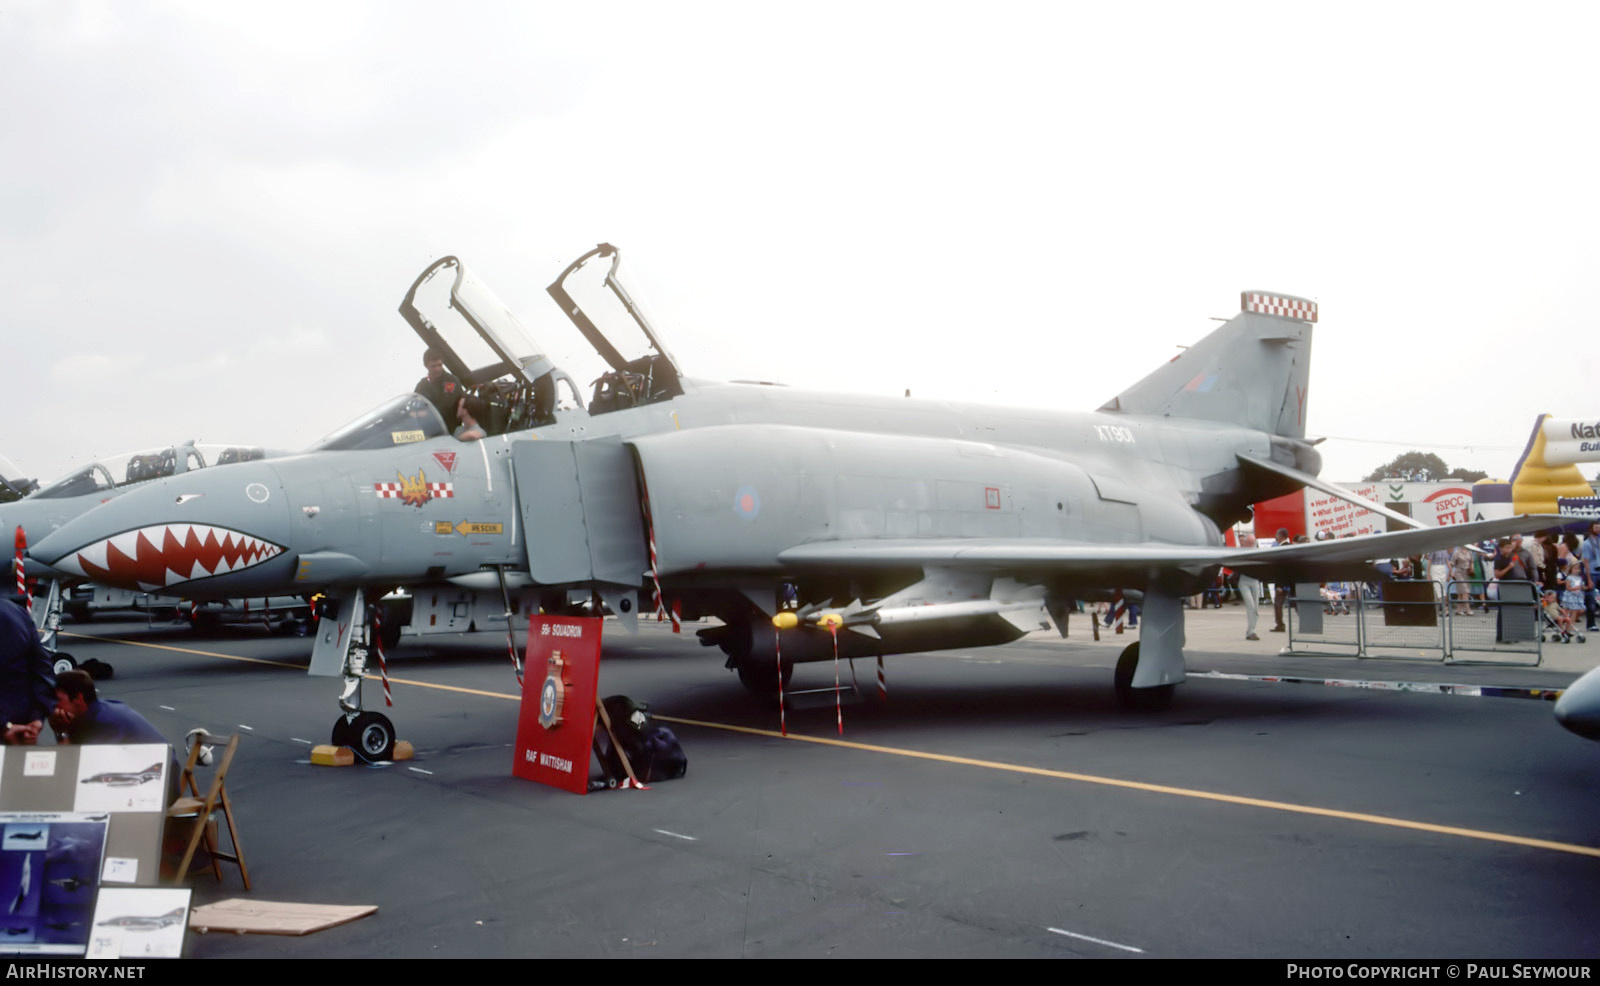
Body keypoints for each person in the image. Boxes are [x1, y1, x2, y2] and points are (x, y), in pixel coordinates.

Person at [50, 670, 180, 803]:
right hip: (146, 777)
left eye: (57, 700)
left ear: (78, 698)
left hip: (159, 787)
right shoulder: (99, 710)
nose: (52, 706)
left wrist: (62, 732)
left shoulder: (103, 723)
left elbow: (77, 769)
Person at [0, 595, 55, 745]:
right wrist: (37, 717)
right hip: (23, 730)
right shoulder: (16, 612)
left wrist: (4, 726)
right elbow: (43, 669)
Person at [414, 348, 463, 433]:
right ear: (426, 366)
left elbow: (446, 406)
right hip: (431, 430)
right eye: (433, 366)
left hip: (451, 430)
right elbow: (415, 406)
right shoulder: (422, 385)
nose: (437, 369)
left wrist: (425, 413)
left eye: (439, 365)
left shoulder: (450, 381)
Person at [1237, 535, 1263, 640]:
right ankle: (1250, 632)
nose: (1250, 545)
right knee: (1251, 606)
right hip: (1243, 582)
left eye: (1252, 543)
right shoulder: (1241, 552)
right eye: (1249, 543)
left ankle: (1252, 630)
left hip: (1254, 581)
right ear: (1245, 542)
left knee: (1256, 608)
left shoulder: (1257, 552)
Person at [1270, 528, 1291, 632]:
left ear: (1280, 536)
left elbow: (1280, 569)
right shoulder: (1291, 547)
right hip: (1291, 582)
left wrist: (1278, 585)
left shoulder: (1280, 549)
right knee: (1296, 604)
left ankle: (1280, 625)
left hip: (1282, 583)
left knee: (1278, 604)